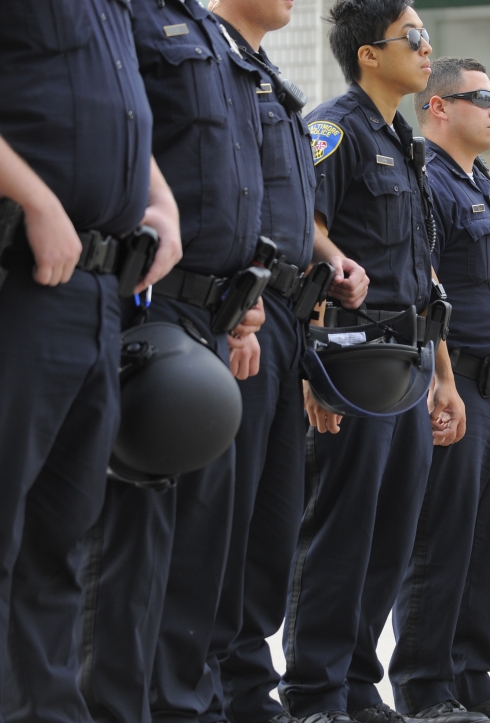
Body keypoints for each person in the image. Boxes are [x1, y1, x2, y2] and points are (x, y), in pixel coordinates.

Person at [76, 0, 271, 720]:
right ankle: (113, 708)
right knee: (131, 528)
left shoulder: (207, 34)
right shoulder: (126, 15)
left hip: (215, 314)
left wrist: (246, 289)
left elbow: (233, 174)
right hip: (147, 298)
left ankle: (180, 705)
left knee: (197, 539)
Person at [281, 2, 466, 721]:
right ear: (369, 53)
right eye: (414, 38)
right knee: (342, 526)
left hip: (409, 361)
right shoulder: (336, 128)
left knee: (390, 532)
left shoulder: (406, 145)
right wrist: (316, 367)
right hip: (352, 360)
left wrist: (443, 378)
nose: (428, 50)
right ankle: (314, 689)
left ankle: (358, 685)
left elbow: (424, 277)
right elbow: (311, 235)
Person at [0, 2, 179, 718]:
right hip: (20, 272)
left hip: (97, 289)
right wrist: (35, 200)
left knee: (60, 533)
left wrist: (160, 200)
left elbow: (115, 107)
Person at [205, 2, 370, 722]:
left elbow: (289, 206)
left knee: (271, 519)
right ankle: (201, 684)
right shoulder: (207, 53)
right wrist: (243, 303)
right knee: (222, 513)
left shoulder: (270, 78)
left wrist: (331, 259)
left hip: (285, 317)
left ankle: (244, 682)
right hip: (235, 309)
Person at [388, 57, 490, 723]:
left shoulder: (482, 184)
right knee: (441, 542)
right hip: (456, 387)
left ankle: (472, 679)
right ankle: (426, 688)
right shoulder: (429, 182)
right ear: (437, 107)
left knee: (485, 545)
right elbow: (427, 288)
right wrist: (442, 378)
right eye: (477, 96)